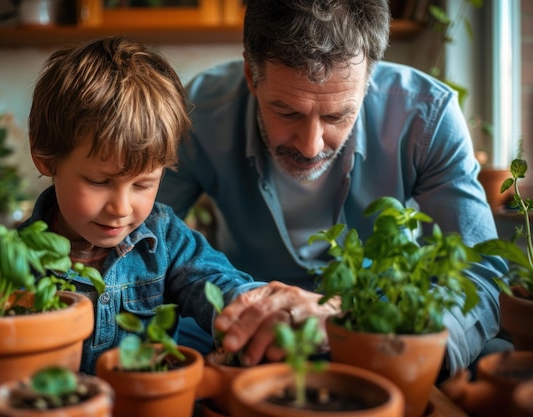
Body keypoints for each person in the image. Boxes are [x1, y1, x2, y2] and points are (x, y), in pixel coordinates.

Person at [0, 36, 338, 415]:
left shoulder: (165, 239)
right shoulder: (4, 263)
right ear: (46, 159)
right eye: (100, 181)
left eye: (143, 184)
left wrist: (254, 307)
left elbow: (218, 284)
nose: (121, 207)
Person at [156, 0, 511, 377]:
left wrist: (349, 317)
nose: (311, 146)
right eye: (287, 112)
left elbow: (481, 274)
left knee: (495, 355)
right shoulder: (198, 112)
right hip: (246, 320)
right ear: (250, 75)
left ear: (368, 82)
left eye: (336, 115)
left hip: (375, 329)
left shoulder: (427, 116)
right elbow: (142, 231)